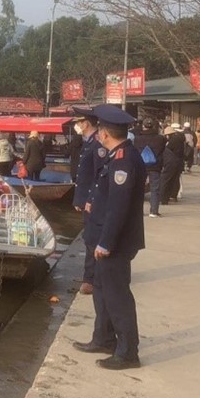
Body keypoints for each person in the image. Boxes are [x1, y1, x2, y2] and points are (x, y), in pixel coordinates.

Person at [72, 103, 145, 370]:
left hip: (115, 241)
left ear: (105, 133)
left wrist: (106, 242)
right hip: (103, 233)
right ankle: (103, 338)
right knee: (102, 290)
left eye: (100, 128)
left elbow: (119, 207)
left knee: (117, 296)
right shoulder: (116, 156)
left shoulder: (124, 159)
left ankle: (127, 352)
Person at [71, 109, 106, 296]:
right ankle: (89, 276)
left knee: (92, 239)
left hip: (92, 202)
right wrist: (80, 198)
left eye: (79, 122)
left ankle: (91, 279)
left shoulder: (96, 145)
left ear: (86, 123)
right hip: (85, 200)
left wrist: (90, 199)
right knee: (88, 239)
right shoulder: (89, 143)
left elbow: (99, 176)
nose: (77, 125)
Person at [132, 117, 166, 217]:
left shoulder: (137, 138)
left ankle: (139, 211)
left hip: (141, 165)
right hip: (155, 166)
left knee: (139, 189)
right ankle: (154, 211)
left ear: (143, 126)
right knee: (155, 188)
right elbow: (162, 149)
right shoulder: (160, 138)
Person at [160, 124, 185, 205]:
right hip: (179, 161)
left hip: (172, 162)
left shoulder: (173, 140)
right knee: (175, 179)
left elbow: (167, 149)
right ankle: (173, 196)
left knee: (166, 180)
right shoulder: (180, 138)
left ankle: (163, 198)